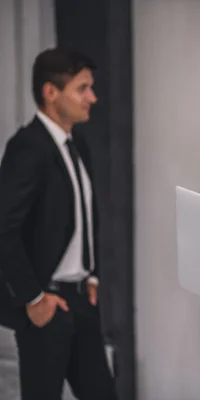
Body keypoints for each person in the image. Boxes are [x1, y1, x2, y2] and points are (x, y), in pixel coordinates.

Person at [0, 48, 118, 400]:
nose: (92, 98)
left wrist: (91, 274)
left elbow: (86, 214)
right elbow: (3, 228)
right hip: (46, 305)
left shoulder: (77, 142)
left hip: (82, 300)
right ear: (51, 92)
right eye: (82, 88)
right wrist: (33, 298)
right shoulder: (27, 147)